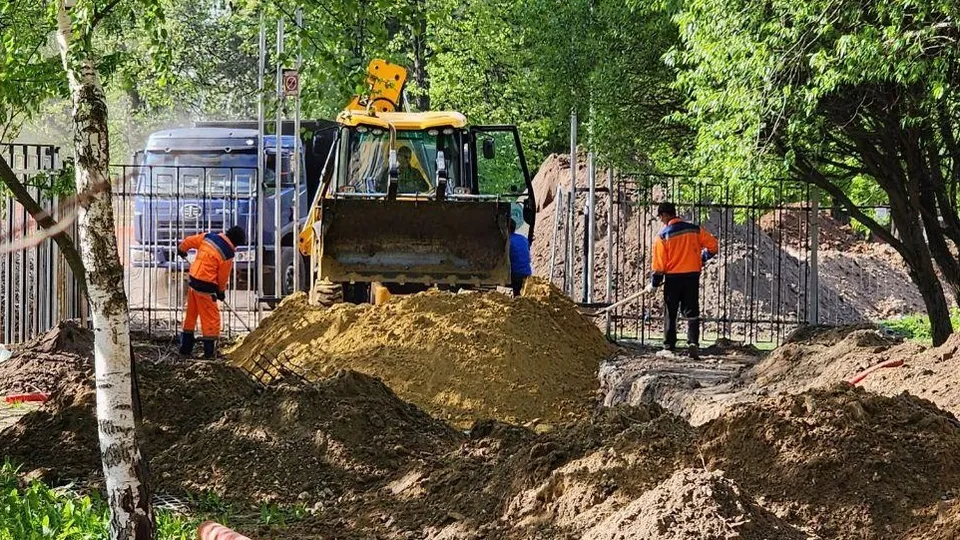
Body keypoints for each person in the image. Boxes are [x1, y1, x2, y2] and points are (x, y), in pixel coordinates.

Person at [645, 202, 718, 359]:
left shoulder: (662, 236)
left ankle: (669, 346)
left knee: (671, 311)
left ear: (665, 215)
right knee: (692, 310)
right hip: (692, 275)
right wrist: (702, 258)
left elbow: (659, 265)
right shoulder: (694, 230)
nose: (661, 220)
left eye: (661, 217)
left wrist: (654, 283)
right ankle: (693, 342)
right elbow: (713, 246)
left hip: (673, 278)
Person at [176, 225, 247, 359]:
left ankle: (185, 349)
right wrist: (220, 290)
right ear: (236, 242)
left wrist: (182, 249)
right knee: (211, 319)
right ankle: (209, 353)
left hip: (193, 280)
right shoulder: (228, 252)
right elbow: (222, 276)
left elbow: (190, 241)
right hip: (206, 286)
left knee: (190, 316)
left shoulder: (209, 237)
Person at [509, 218, 532, 296]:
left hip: (515, 274)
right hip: (527, 272)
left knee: (517, 296)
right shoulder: (524, 238)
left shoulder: (507, 240)